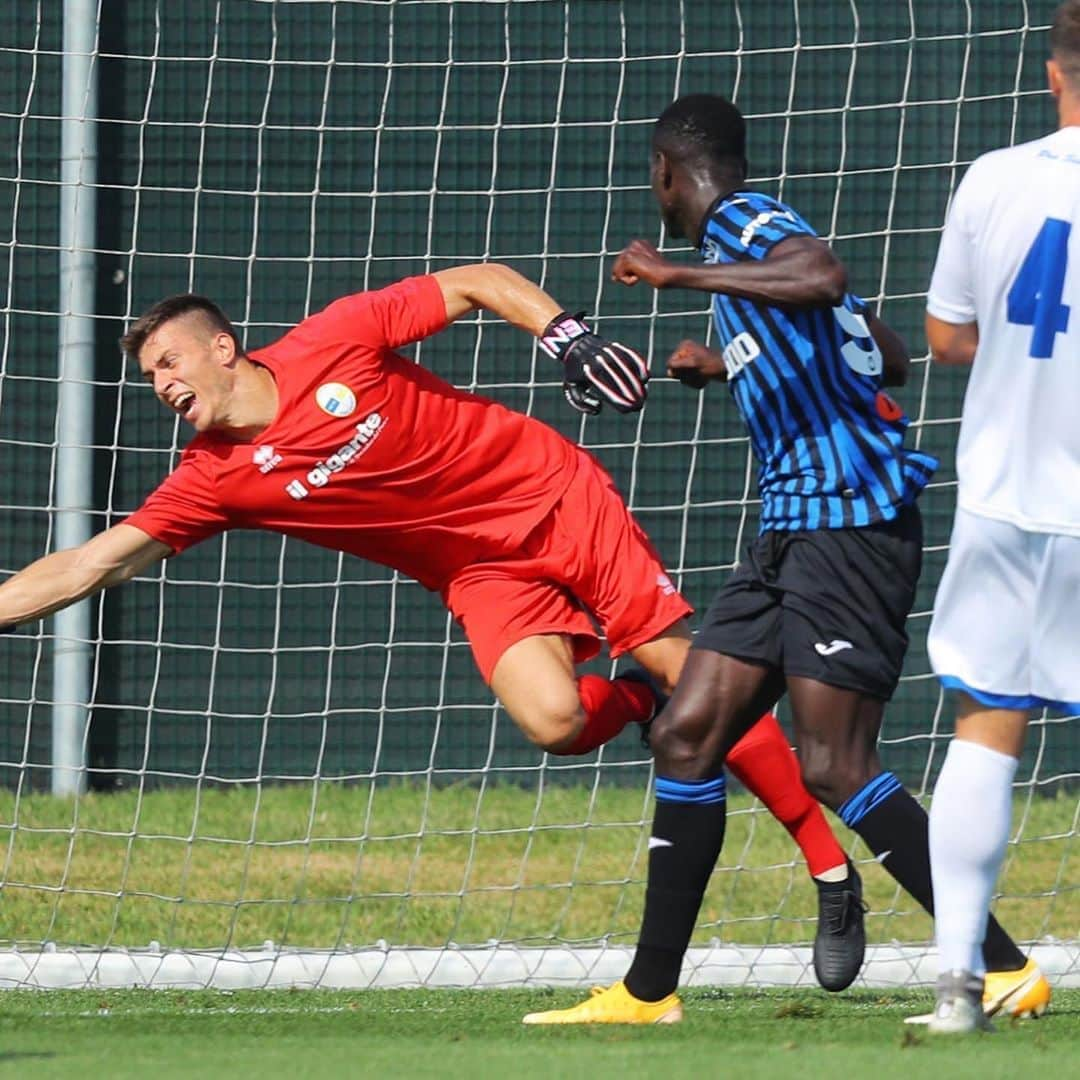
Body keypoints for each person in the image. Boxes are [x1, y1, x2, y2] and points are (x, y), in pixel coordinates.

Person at [0, 262, 860, 985]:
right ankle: (635, 704)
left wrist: (569, 336)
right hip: (479, 572)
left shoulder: (334, 337)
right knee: (556, 722)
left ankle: (828, 869)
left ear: (224, 348)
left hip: (549, 493)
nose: (163, 384)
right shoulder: (212, 479)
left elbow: (477, 282)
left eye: (170, 361)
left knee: (685, 666)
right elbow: (92, 561)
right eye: (151, 375)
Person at [522, 92, 1045, 1027]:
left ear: (668, 173)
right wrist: (731, 363)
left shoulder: (743, 224)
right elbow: (881, 354)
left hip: (848, 527)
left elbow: (822, 275)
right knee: (686, 735)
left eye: (654, 179)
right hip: (789, 533)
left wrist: (677, 276)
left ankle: (1000, 966)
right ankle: (648, 994)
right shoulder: (749, 254)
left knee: (833, 764)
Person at [904, 4, 1080, 1034]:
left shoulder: (992, 177)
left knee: (985, 729)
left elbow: (947, 335)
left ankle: (959, 987)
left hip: (1011, 502)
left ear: (1053, 75)